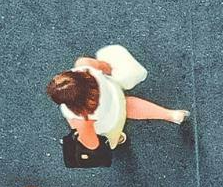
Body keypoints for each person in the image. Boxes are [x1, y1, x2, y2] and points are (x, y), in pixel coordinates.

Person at [47, 46, 187, 154]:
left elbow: (92, 144)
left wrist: (77, 133)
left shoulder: (81, 118)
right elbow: (106, 67)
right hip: (115, 95)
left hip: (111, 123)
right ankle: (171, 115)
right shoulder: (84, 65)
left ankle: (118, 138)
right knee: (130, 104)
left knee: (111, 137)